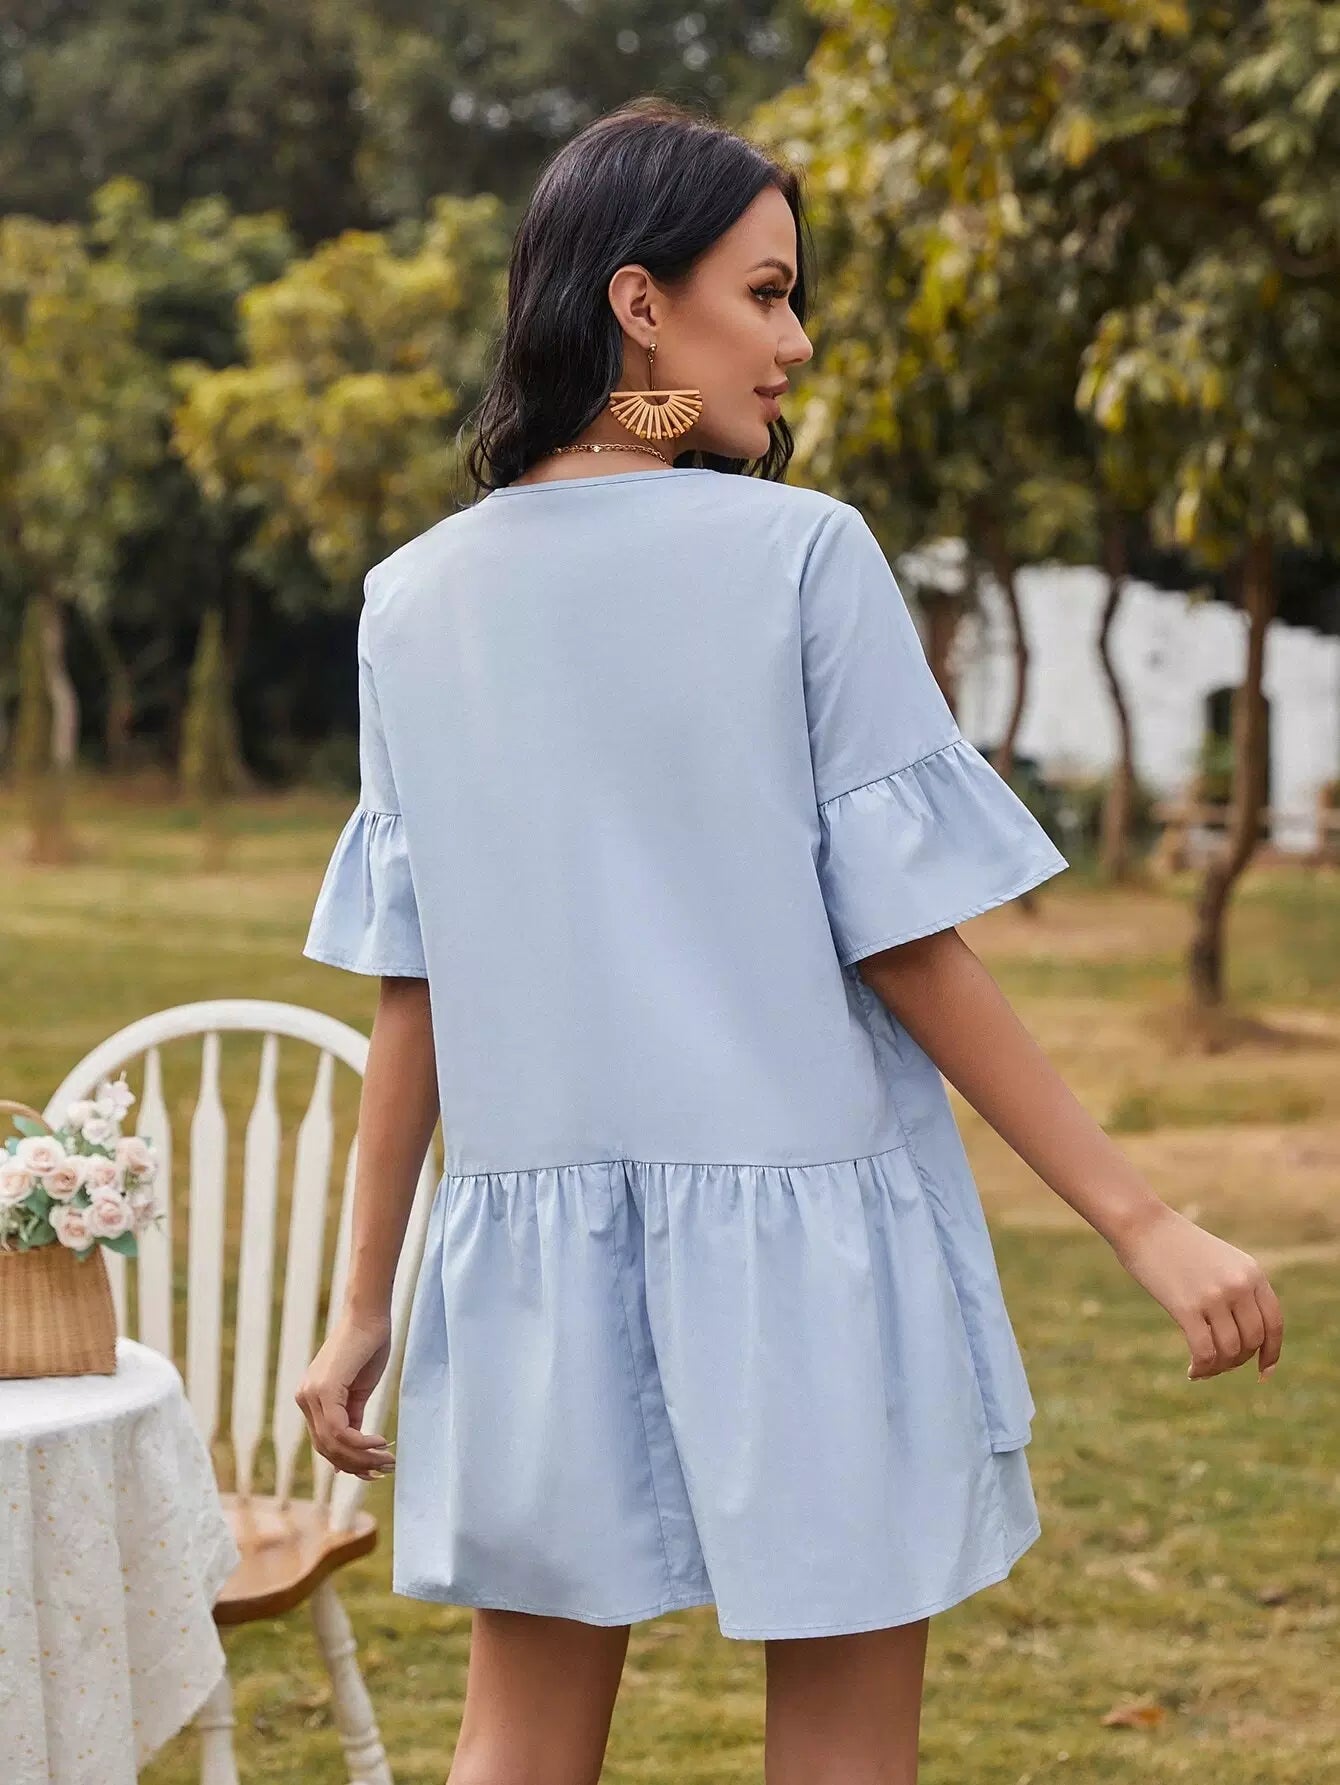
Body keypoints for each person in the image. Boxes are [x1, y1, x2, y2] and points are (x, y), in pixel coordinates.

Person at [294, 96, 1284, 1785]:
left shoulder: (413, 598)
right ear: (638, 302)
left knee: (514, 1744)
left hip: (531, 1262)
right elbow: (912, 949)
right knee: (840, 1750)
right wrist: (1144, 1221)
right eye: (764, 293)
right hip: (813, 1257)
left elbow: (417, 984)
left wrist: (360, 1299)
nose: (796, 342)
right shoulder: (802, 554)